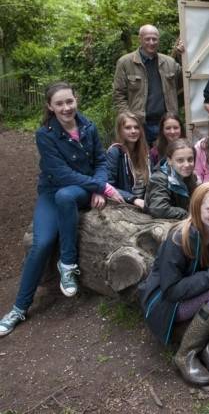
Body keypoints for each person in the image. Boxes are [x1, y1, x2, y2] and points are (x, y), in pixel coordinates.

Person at [0, 82, 123, 337]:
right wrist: (101, 187)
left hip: (77, 191)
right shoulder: (45, 134)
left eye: (69, 101)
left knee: (67, 196)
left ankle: (67, 265)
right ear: (50, 106)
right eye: (59, 103)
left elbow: (100, 161)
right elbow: (61, 173)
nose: (66, 108)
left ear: (75, 100)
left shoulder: (88, 126)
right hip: (53, 190)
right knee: (41, 243)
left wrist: (99, 188)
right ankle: (19, 308)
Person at [138, 183, 209, 385]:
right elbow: (172, 290)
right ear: (197, 208)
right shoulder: (179, 239)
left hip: (194, 293)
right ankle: (185, 354)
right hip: (165, 303)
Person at [113, 24, 182, 145]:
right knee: (141, 160)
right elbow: (119, 94)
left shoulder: (170, 63)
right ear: (140, 39)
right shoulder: (125, 62)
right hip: (139, 125)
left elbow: (184, 85)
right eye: (147, 39)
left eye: (154, 39)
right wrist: (128, 120)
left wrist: (183, 56)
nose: (151, 42)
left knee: (167, 160)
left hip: (166, 125)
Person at [106, 112, 151, 209]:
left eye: (136, 127)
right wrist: (133, 199)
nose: (133, 131)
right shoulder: (115, 152)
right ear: (120, 130)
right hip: (125, 205)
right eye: (128, 128)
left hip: (145, 204)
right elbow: (108, 185)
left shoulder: (145, 153)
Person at [145, 138, 197, 219]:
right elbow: (159, 209)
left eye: (190, 159)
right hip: (161, 224)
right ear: (169, 161)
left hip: (181, 220)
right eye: (180, 160)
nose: (187, 165)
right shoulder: (159, 179)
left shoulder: (191, 177)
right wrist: (187, 214)